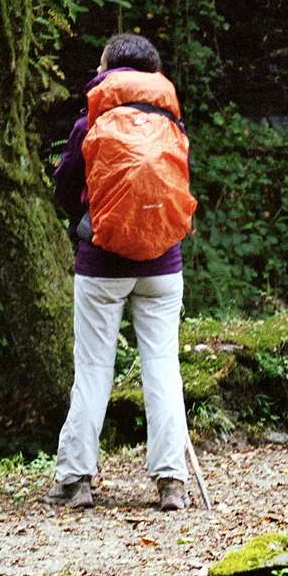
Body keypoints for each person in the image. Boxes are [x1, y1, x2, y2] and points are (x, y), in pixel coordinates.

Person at [48, 33, 196, 510]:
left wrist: (82, 225)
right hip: (163, 264)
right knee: (162, 367)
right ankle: (171, 481)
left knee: (93, 368)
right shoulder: (171, 120)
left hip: (101, 263)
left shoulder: (90, 121)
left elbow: (66, 187)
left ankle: (76, 481)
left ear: (109, 69)